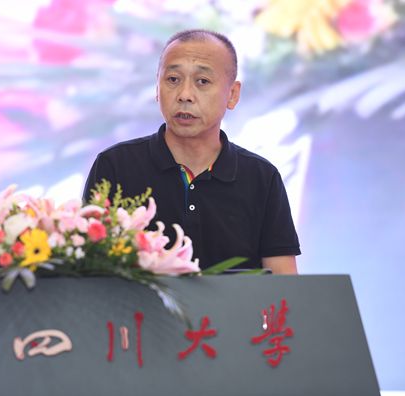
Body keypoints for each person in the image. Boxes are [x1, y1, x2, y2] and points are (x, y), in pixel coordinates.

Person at [83, 29, 300, 274]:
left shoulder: (261, 177)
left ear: (232, 94)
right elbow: (88, 274)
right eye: (173, 79)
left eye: (202, 81)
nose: (185, 95)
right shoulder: (115, 166)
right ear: (157, 88)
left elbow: (285, 284)